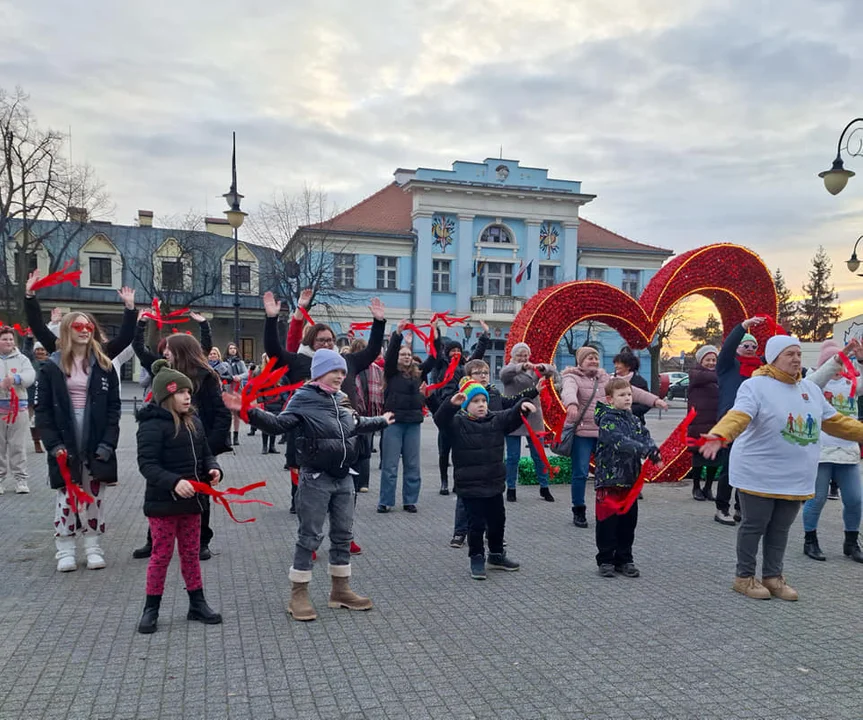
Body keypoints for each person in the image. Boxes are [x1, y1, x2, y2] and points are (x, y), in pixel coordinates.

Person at [224, 348, 394, 621]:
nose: (340, 376)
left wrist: (381, 421)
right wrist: (250, 413)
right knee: (310, 537)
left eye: (342, 371)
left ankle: (341, 591)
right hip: (316, 477)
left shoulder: (343, 399)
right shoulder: (303, 397)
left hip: (344, 476)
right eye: (334, 371)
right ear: (319, 373)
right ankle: (298, 595)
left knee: (343, 535)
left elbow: (356, 424)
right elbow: (280, 425)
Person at [701, 336, 863, 601]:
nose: (797, 359)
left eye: (799, 354)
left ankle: (773, 577)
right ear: (774, 357)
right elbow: (738, 415)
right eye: (790, 354)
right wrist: (720, 435)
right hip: (759, 473)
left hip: (795, 477)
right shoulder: (756, 386)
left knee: (780, 528)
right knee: (754, 525)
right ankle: (744, 578)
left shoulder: (810, 390)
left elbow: (838, 422)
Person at [135, 361, 223, 633]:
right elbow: (147, 465)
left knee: (190, 554)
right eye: (180, 392)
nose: (187, 397)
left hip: (193, 503)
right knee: (161, 555)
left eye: (188, 392)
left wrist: (213, 468)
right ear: (165, 396)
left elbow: (206, 451)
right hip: (163, 504)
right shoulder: (151, 426)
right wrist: (174, 482)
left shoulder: (194, 421)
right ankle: (151, 608)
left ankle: (197, 603)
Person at [131, 330, 232, 561]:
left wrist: (209, 448)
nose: (165, 352)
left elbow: (221, 414)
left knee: (200, 495)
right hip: (167, 442)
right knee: (161, 490)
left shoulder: (206, 376)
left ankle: (201, 541)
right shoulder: (166, 374)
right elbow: (141, 351)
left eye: (170, 349)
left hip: (198, 445)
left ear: (182, 351)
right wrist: (139, 323)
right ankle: (154, 540)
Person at [35, 312, 121, 572]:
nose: (84, 330)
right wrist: (53, 444)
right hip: (66, 435)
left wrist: (108, 443)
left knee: (94, 495)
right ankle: (65, 549)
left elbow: (114, 408)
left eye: (88, 326)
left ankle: (93, 546)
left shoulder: (104, 365)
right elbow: (43, 411)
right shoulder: (51, 366)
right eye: (78, 326)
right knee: (67, 494)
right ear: (67, 330)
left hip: (94, 435)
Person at [435, 377, 534, 579]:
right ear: (465, 404)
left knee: (498, 520)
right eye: (475, 401)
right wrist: (450, 405)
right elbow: (440, 420)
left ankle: (496, 554)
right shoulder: (457, 423)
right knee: (476, 524)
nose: (481, 405)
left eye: (484, 401)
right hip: (470, 486)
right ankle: (477, 557)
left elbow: (510, 416)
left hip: (494, 483)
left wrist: (521, 407)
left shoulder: (495, 420)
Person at [561, 346, 666, 528]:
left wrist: (654, 400)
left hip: (606, 432)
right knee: (580, 472)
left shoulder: (605, 378)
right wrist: (571, 404)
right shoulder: (572, 377)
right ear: (580, 361)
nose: (593, 361)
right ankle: (579, 509)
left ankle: (611, 504)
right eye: (589, 358)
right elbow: (568, 390)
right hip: (584, 432)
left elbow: (631, 390)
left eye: (595, 357)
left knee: (609, 468)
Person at [449, 359, 541, 547]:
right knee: (466, 499)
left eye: (485, 372)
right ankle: (460, 531)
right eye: (478, 372)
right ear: (469, 376)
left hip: (492, 450)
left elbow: (511, 403)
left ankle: (493, 535)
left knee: (492, 501)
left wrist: (532, 393)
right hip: (471, 456)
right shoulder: (463, 395)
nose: (483, 375)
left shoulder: (494, 393)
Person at [799, 339, 863, 563]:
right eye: (834, 362)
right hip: (821, 451)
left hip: (847, 452)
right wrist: (837, 358)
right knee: (816, 500)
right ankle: (810, 540)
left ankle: (851, 542)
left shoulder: (852, 382)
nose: (839, 367)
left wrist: (860, 358)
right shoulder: (815, 383)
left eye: (842, 362)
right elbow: (815, 379)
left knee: (855, 500)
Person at [593, 377, 662, 578]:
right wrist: (644, 450)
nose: (627, 398)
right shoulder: (607, 420)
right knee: (607, 522)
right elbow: (619, 441)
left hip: (630, 480)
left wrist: (653, 450)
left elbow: (645, 437)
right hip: (609, 480)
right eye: (622, 395)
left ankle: (624, 559)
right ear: (610, 399)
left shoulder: (634, 420)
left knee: (628, 522)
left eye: (629, 394)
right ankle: (606, 559)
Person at [426, 320, 490, 495]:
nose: (455, 353)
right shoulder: (441, 364)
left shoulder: (464, 367)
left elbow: (478, 355)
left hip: (460, 409)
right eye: (452, 350)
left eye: (458, 350)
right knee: (444, 449)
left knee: (458, 449)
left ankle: (456, 481)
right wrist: (435, 330)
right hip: (443, 408)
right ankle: (443, 482)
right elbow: (434, 351)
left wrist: (484, 335)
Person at [713, 316, 766, 525]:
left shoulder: (760, 369)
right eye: (746, 345)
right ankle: (721, 508)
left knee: (747, 468)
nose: (751, 348)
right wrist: (743, 327)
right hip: (731, 422)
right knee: (729, 468)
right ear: (738, 347)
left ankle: (740, 508)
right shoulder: (728, 365)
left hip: (753, 424)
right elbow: (727, 347)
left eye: (754, 346)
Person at [378, 321, 434, 513]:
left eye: (409, 354)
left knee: (412, 464)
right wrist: (398, 334)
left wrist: (435, 333)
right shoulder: (391, 372)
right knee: (390, 465)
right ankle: (385, 501)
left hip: (413, 423)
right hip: (393, 421)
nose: (406, 357)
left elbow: (434, 358)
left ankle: (410, 500)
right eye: (403, 355)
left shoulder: (418, 373)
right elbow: (391, 352)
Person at [499, 342, 559, 503]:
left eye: (525, 355)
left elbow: (552, 370)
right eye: (519, 355)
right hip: (514, 416)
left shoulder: (533, 370)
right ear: (512, 356)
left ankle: (544, 487)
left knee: (539, 455)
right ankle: (511, 488)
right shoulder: (509, 370)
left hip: (534, 417)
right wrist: (521, 366)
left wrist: (541, 367)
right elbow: (503, 374)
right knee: (512, 457)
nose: (523, 358)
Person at [0, 326, 36, 494]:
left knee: (17, 446)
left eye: (10, 339)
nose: (8, 342)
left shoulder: (22, 359)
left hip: (18, 409)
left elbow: (30, 376)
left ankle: (21, 480)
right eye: (4, 339)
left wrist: (16, 378)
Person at [687, 345, 720, 501]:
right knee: (699, 456)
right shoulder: (695, 374)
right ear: (701, 360)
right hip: (698, 422)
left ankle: (707, 488)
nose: (712, 362)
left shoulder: (716, 377)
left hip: (715, 422)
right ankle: (696, 487)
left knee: (715, 457)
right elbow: (709, 376)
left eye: (714, 359)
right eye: (708, 359)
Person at [613, 351, 651, 425]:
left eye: (618, 363)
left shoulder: (640, 382)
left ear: (628, 366)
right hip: (614, 423)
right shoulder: (611, 380)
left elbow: (646, 404)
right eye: (615, 363)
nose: (615, 366)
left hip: (634, 423)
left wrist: (629, 410)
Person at [224, 342, 248, 446]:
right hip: (228, 389)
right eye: (230, 348)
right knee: (228, 414)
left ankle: (236, 436)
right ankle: (228, 436)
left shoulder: (240, 362)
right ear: (227, 350)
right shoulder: (224, 362)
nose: (233, 350)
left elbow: (246, 373)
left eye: (234, 348)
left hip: (237, 389)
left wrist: (239, 377)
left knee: (237, 413)